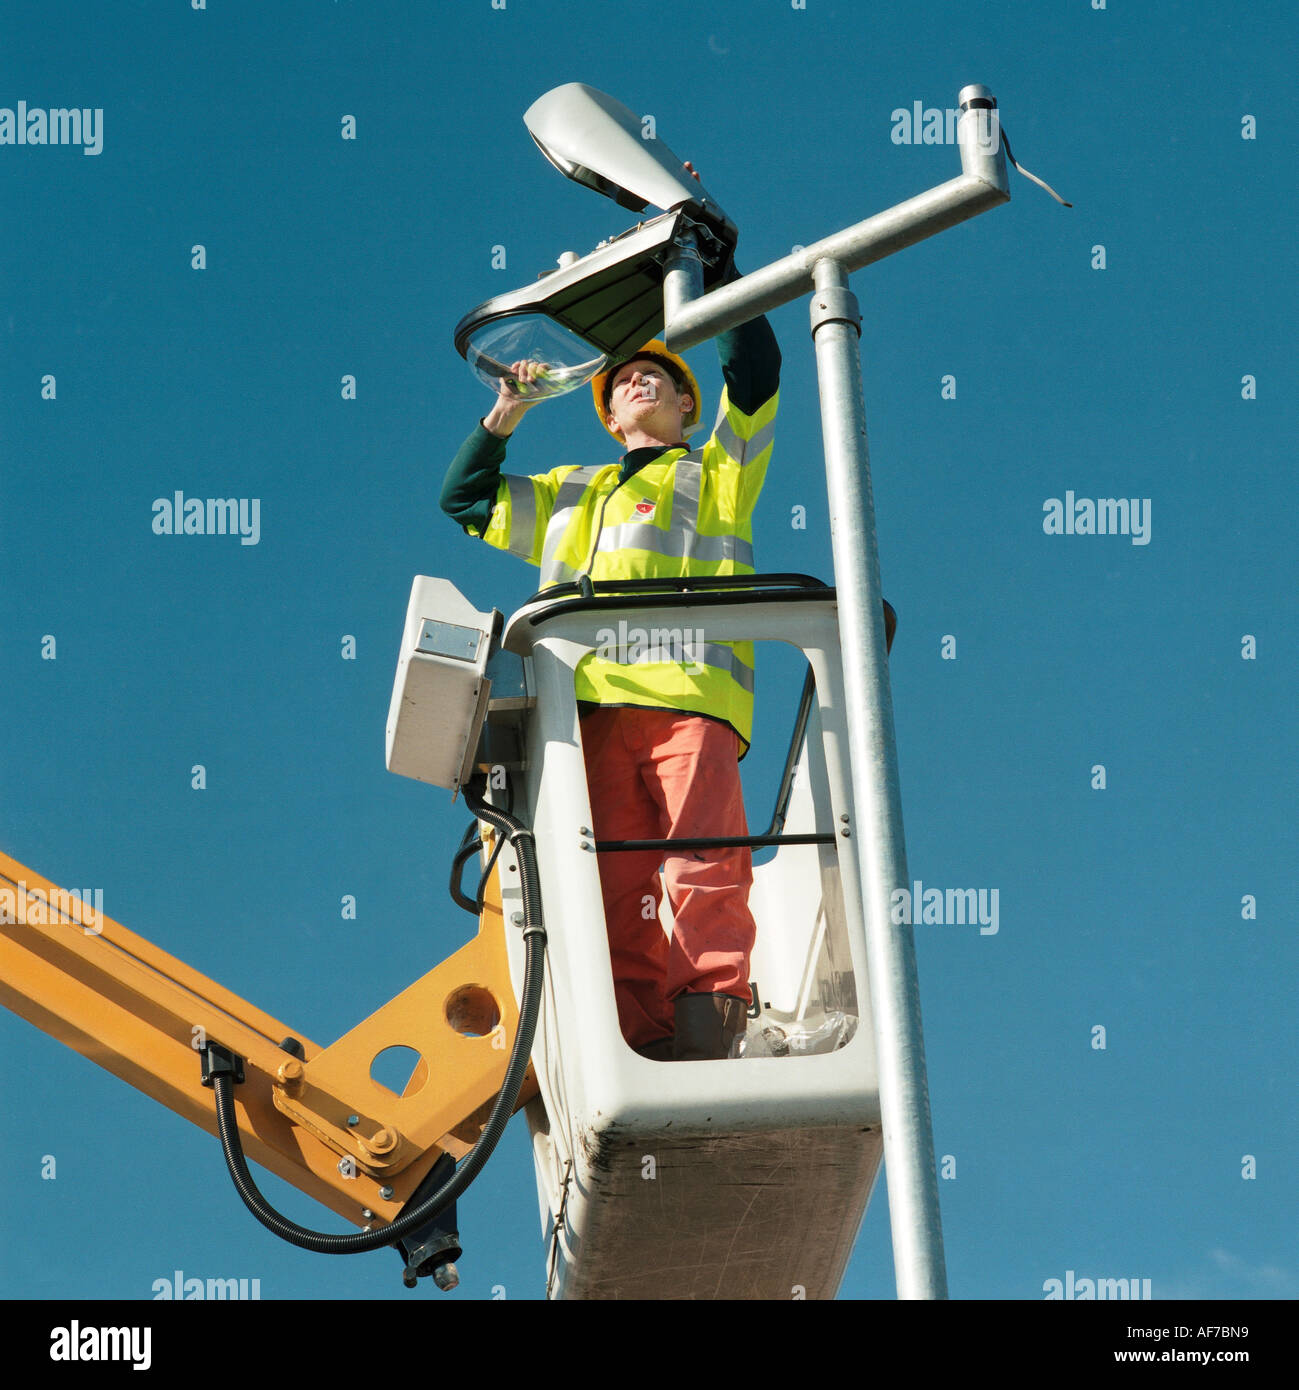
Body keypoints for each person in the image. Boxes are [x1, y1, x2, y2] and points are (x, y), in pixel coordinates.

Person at [441, 219, 780, 1064]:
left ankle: (709, 1013)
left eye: (655, 374)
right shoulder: (569, 491)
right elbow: (465, 501)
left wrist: (712, 268)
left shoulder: (718, 473)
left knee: (702, 858)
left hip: (687, 697)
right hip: (588, 713)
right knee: (615, 883)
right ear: (606, 414)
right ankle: (646, 1035)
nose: (635, 378)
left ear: (686, 404)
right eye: (622, 377)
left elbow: (754, 371)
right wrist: (506, 411)